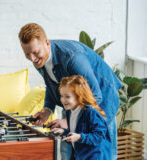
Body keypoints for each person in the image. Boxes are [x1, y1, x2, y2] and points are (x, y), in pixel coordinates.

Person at [18, 23, 121, 160]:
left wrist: (69, 120)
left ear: (47, 43)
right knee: (74, 151)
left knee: (103, 153)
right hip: (76, 104)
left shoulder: (73, 58)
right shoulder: (39, 60)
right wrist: (47, 111)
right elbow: (51, 85)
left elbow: (95, 94)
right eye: (27, 54)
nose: (32, 58)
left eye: (35, 53)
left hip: (102, 101)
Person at [52, 75, 111, 159]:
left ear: (79, 96)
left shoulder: (91, 113)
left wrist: (80, 137)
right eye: (62, 96)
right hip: (81, 156)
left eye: (67, 97)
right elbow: (77, 131)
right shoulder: (69, 112)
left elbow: (99, 136)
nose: (63, 100)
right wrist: (64, 131)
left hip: (95, 156)